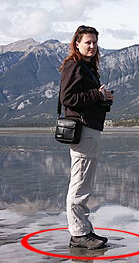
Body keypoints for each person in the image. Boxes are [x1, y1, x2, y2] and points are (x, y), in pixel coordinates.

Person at [59, 25, 114, 249]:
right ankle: (79, 234)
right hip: (82, 130)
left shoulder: (86, 66)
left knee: (84, 181)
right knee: (80, 182)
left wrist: (103, 99)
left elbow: (84, 98)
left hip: (89, 129)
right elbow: (68, 97)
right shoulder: (74, 65)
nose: (92, 46)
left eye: (94, 42)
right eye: (87, 42)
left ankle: (83, 229)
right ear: (77, 44)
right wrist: (97, 94)